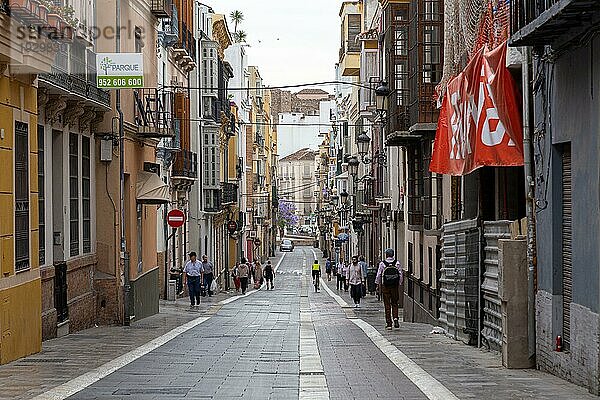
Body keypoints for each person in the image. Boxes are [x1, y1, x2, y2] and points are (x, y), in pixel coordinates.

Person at [376, 248, 403, 330]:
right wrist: (399, 283)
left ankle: (389, 323)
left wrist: (378, 284)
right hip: (394, 286)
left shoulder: (382, 264)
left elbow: (379, 275)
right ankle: (395, 318)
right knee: (395, 303)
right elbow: (400, 274)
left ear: (386, 255)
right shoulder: (397, 263)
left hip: (386, 286)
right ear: (393, 255)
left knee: (387, 304)